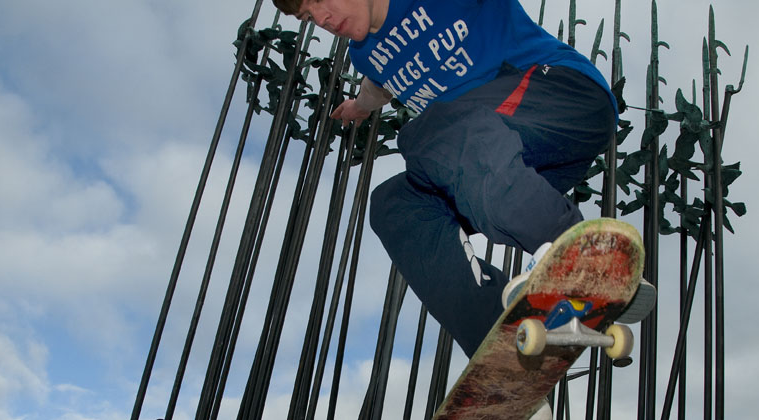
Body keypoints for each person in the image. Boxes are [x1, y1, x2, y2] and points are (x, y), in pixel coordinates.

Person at [272, 2, 653, 417]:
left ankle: (580, 259)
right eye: (309, 17)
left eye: (320, 0)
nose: (323, 19)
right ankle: (508, 356)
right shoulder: (365, 53)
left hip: (562, 98)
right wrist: (360, 108)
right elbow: (376, 86)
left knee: (429, 130)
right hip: (510, 160)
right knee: (395, 204)